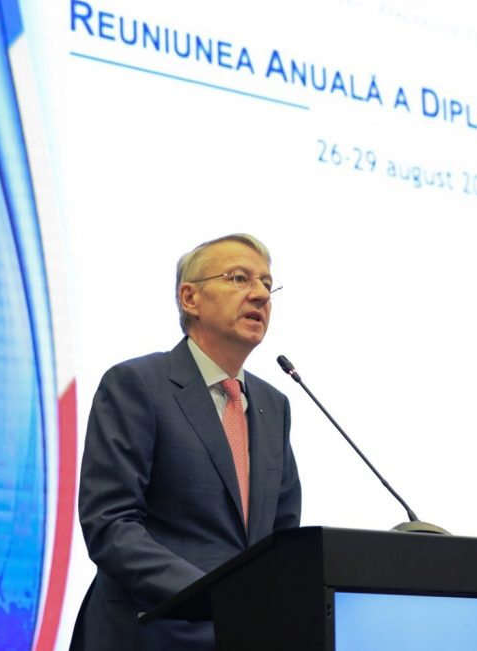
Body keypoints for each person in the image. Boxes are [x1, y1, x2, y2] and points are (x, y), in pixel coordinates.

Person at [69, 233, 302, 650]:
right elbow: (111, 523)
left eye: (267, 284)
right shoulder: (137, 385)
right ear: (190, 298)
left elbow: (281, 539)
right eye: (239, 278)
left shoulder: (273, 405)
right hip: (150, 632)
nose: (260, 295)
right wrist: (217, 595)